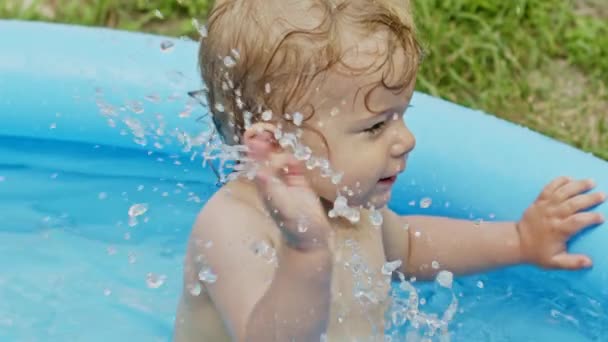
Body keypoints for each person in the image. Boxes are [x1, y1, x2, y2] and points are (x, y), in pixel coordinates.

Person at [174, 0, 606, 340]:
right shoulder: (232, 228)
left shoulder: (350, 208)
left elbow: (414, 248)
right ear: (274, 145)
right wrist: (306, 252)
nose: (405, 140)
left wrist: (519, 239)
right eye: (376, 125)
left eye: (401, 115)